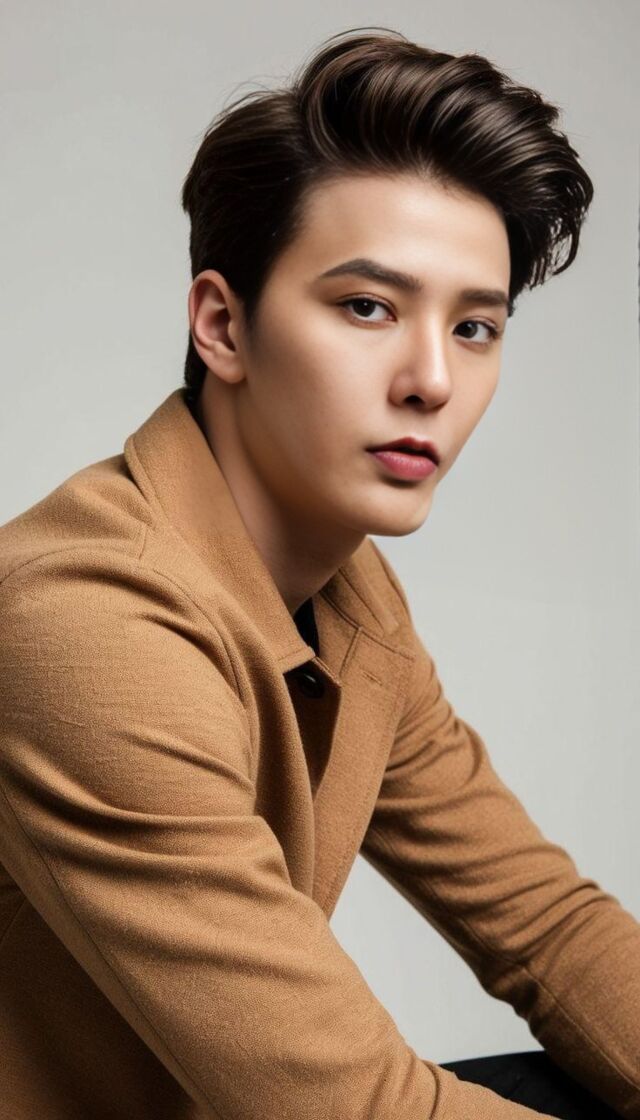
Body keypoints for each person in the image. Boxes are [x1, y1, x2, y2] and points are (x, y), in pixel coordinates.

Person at [0, 24, 637, 1120]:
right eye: (367, 307)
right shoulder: (80, 619)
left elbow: (545, 927)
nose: (432, 380)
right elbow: (350, 1106)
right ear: (223, 325)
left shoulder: (348, 600)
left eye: (475, 326)